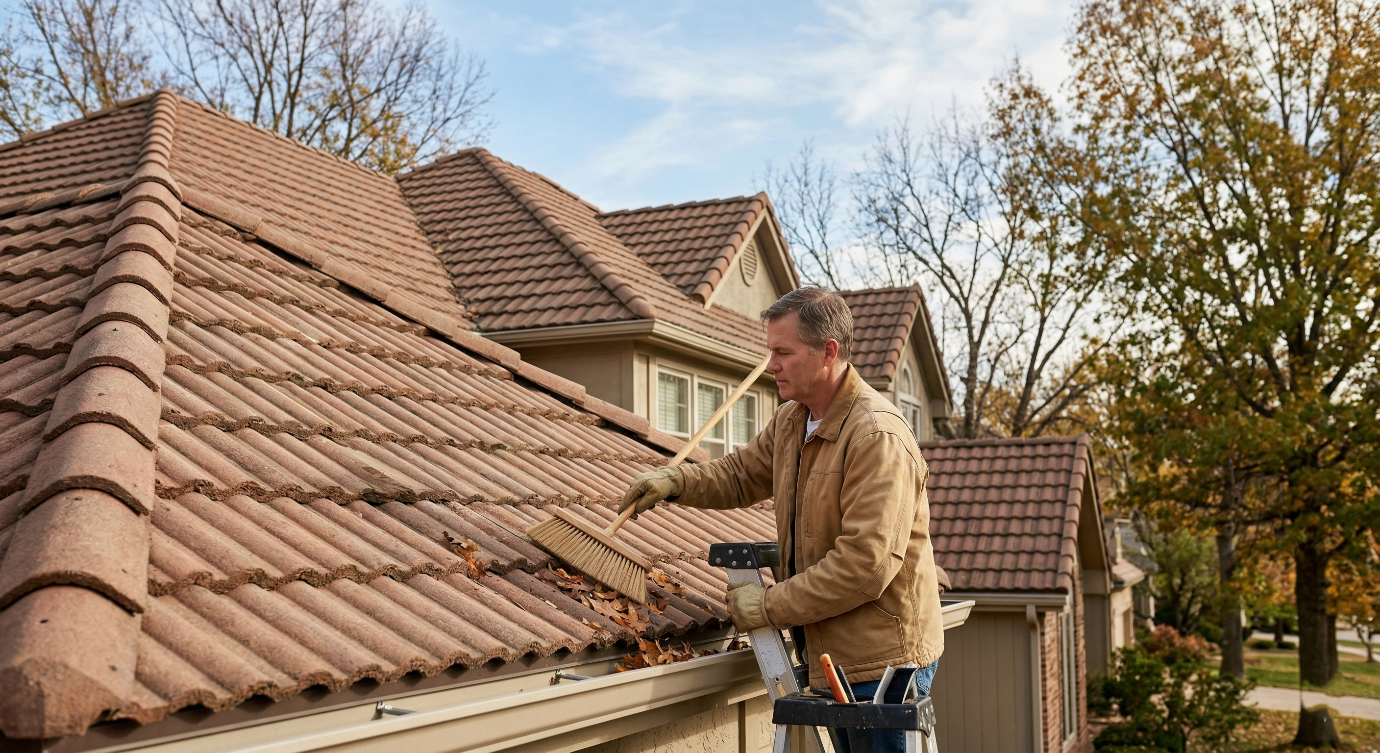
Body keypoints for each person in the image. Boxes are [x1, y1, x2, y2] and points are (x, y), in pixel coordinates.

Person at [620, 287, 943, 753]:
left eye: (782, 352)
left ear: (827, 351)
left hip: (884, 663)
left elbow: (866, 566)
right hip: (836, 654)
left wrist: (768, 606)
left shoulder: (877, 436)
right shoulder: (794, 420)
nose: (770, 364)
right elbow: (740, 475)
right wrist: (675, 481)